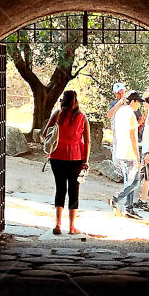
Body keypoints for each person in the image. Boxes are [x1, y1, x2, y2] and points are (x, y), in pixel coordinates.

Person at [45, 90, 89, 235]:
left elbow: (46, 133)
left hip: (56, 156)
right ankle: (71, 227)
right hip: (76, 159)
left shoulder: (57, 114)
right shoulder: (82, 117)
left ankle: (57, 225)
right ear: (76, 101)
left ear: (63, 100)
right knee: (74, 191)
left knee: (60, 189)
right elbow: (87, 141)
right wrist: (86, 161)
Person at [108, 91, 144, 219]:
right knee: (135, 182)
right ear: (133, 101)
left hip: (121, 151)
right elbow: (132, 137)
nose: (139, 105)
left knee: (128, 181)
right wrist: (137, 157)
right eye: (139, 102)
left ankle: (128, 208)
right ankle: (116, 199)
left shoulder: (120, 112)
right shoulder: (130, 114)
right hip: (129, 152)